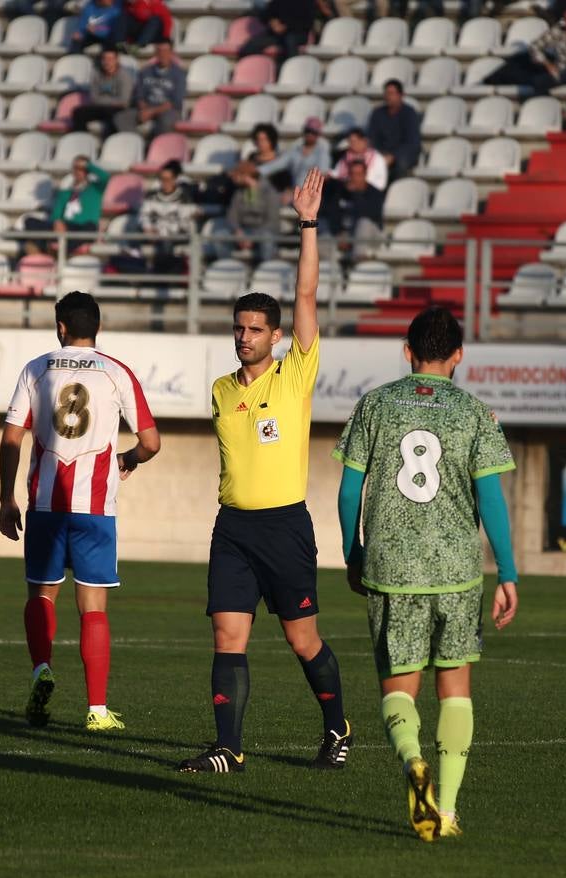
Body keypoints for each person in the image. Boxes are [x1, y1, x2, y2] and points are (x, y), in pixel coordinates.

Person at [178, 168, 352, 774]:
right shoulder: (221, 390)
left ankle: (337, 729)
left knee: (302, 640)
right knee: (227, 637)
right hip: (233, 529)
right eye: (239, 328)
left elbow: (306, 295)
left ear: (277, 337)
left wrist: (308, 223)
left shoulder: (294, 374)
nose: (244, 337)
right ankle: (228, 747)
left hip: (284, 528)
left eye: (255, 329)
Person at [334, 306, 518, 841]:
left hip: (392, 568)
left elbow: (349, 491)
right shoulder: (475, 413)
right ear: (458, 355)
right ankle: (450, 811)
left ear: (407, 351)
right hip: (457, 569)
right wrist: (508, 572)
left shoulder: (374, 405)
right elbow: (491, 499)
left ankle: (413, 759)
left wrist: (353, 554)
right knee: (455, 687)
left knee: (399, 688)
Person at [0, 291, 160, 731]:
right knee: (93, 606)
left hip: (45, 506)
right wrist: (128, 459)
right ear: (98, 327)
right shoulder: (116, 372)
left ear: (61, 327)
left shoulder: (36, 368)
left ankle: (41, 669)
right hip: (95, 510)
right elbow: (151, 443)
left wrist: (6, 498)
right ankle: (97, 710)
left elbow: (11, 438)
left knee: (41, 595)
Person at [483, 3, 566, 98]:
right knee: (538, 81)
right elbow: (534, 47)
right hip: (563, 72)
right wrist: (547, 64)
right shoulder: (558, 31)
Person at [23, 156, 109, 255]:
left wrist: (87, 165)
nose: (78, 172)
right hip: (65, 227)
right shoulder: (65, 193)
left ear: (88, 171)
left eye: (81, 169)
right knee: (29, 220)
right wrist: (57, 222)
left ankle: (58, 249)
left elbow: (105, 177)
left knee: (91, 227)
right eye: (76, 169)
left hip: (81, 228)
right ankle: (51, 248)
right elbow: (56, 214)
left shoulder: (95, 189)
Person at [114, 40, 186, 137]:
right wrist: (144, 108)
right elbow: (138, 95)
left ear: (171, 53)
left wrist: (151, 112)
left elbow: (175, 102)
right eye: (159, 51)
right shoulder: (145, 71)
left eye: (166, 51)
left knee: (165, 122)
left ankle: (157, 145)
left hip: (168, 111)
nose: (162, 54)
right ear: (155, 53)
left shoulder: (179, 74)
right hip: (146, 107)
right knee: (121, 118)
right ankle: (137, 142)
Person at [139, 159, 196, 273]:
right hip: (154, 234)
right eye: (162, 179)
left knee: (166, 242)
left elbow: (184, 223)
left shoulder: (184, 197)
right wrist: (148, 228)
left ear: (175, 179)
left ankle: (161, 277)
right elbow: (143, 216)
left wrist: (163, 231)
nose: (164, 182)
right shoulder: (151, 195)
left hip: (174, 235)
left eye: (167, 179)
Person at [322, 158, 385, 257]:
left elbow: (368, 214)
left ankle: (357, 263)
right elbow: (332, 213)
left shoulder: (375, 193)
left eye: (359, 174)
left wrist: (355, 193)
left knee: (364, 223)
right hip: (346, 233)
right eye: (352, 174)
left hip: (371, 235)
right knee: (322, 231)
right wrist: (339, 233)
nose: (355, 177)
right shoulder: (341, 191)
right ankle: (327, 265)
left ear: (365, 174)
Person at [71, 48, 134, 138]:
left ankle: (109, 141)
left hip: (117, 109)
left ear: (116, 60)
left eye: (110, 59)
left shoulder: (125, 76)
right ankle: (83, 139)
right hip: (101, 107)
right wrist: (112, 101)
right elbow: (93, 98)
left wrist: (103, 100)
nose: (107, 62)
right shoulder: (96, 74)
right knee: (78, 112)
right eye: (104, 59)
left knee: (115, 117)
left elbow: (124, 101)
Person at [224, 162, 281, 263]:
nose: (233, 178)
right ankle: (227, 267)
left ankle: (265, 268)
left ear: (245, 176)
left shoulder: (270, 192)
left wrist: (253, 237)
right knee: (220, 236)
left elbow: (272, 221)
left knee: (267, 239)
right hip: (243, 231)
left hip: (263, 231)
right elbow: (232, 216)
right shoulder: (239, 193)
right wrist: (237, 231)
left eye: (236, 175)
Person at [367, 80, 422, 182]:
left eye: (391, 93)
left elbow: (412, 142)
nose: (388, 96)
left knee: (401, 163)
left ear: (401, 95)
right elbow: (372, 138)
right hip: (382, 153)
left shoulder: (409, 113)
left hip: (404, 154)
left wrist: (393, 156)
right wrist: (381, 155)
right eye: (386, 93)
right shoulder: (377, 113)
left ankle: (396, 189)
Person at [257, 117, 331, 189]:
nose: (309, 134)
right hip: (294, 191)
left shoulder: (322, 152)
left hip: (311, 192)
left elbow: (323, 174)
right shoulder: (295, 150)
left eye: (313, 132)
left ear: (318, 134)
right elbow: (278, 164)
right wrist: (258, 170)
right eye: (307, 131)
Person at [238, 0, 315, 60]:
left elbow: (307, 22)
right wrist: (272, 22)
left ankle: (291, 70)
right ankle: (253, 69)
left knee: (290, 42)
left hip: (297, 33)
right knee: (251, 45)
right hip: (276, 34)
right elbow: (266, 14)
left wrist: (286, 26)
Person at [329, 127, 388, 194]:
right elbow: (337, 173)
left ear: (364, 141)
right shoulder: (346, 156)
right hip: (346, 191)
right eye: (350, 142)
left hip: (368, 193)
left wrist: (360, 185)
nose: (352, 144)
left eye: (355, 141)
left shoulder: (376, 157)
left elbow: (381, 183)